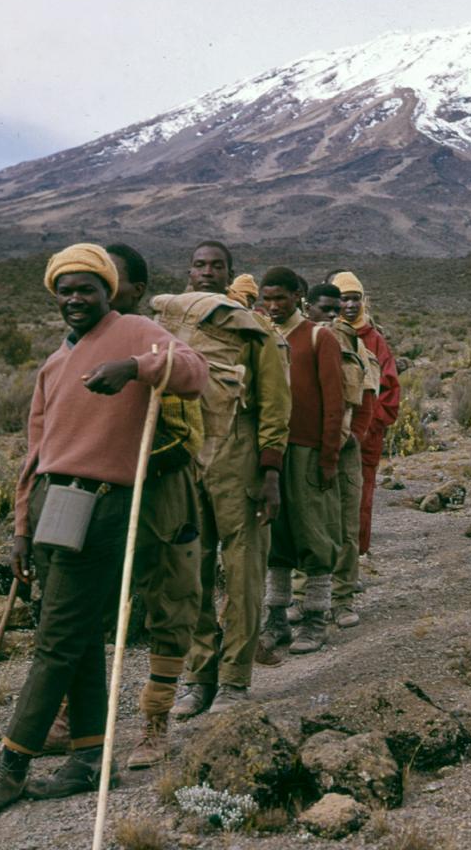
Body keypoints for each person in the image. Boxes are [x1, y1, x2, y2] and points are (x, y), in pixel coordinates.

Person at [0, 244, 207, 818]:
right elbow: (34, 453)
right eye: (64, 289)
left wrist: (137, 367)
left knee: (56, 642)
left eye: (86, 288)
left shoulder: (136, 330)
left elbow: (194, 373)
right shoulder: (52, 363)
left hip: (107, 506)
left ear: (108, 290)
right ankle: (91, 759)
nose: (73, 298)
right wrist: (21, 527)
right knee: (79, 635)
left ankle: (11, 767)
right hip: (53, 506)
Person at [171, 241, 291, 717]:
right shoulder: (171, 326)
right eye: (199, 264)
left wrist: (270, 472)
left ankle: (235, 679)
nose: (206, 272)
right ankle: (199, 674)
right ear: (188, 270)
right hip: (184, 461)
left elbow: (276, 404)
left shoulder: (255, 330)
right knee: (190, 572)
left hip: (238, 458)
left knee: (243, 573)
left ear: (230, 274)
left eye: (216, 265)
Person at [103, 244, 204, 770]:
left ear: (136, 290)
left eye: (108, 277)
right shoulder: (73, 341)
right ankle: (74, 716)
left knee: (170, 599)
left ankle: (154, 719)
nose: (93, 286)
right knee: (79, 601)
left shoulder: (152, 336)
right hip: (93, 491)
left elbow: (191, 375)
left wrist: (139, 368)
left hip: (159, 483)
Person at [259, 267, 344, 655]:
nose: (273, 306)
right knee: (276, 535)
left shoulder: (317, 336)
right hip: (272, 448)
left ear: (299, 297)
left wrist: (328, 458)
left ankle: (316, 618)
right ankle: (276, 618)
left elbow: (334, 402)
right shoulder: (262, 336)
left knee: (313, 532)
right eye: (267, 298)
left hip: (308, 450)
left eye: (281, 298)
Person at [290, 283, 377, 628]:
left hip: (343, 449)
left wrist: (351, 437)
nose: (329, 317)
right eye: (322, 309)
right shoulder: (297, 344)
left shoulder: (352, 345)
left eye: (334, 310)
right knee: (304, 522)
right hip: (306, 446)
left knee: (344, 525)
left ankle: (341, 599)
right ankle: (302, 596)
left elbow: (367, 396)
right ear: (306, 307)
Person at [333, 271, 400, 555]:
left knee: (361, 496)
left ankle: (354, 558)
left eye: (355, 299)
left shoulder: (374, 340)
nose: (350, 305)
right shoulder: (325, 334)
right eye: (343, 299)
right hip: (331, 431)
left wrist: (369, 427)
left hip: (365, 435)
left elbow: (389, 390)